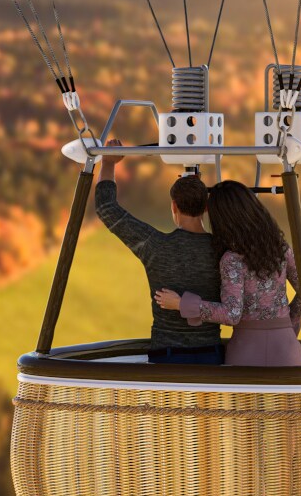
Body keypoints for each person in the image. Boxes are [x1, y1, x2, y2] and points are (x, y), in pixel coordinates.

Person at [93, 146, 224, 364]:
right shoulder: (223, 250)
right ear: (206, 208)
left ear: (174, 206)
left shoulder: (154, 245)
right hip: (212, 357)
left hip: (166, 359)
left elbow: (106, 207)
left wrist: (108, 162)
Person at [154, 179, 301, 367]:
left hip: (247, 350)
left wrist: (181, 303)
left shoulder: (232, 259)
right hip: (286, 348)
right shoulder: (281, 249)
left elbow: (232, 314)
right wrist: (288, 324)